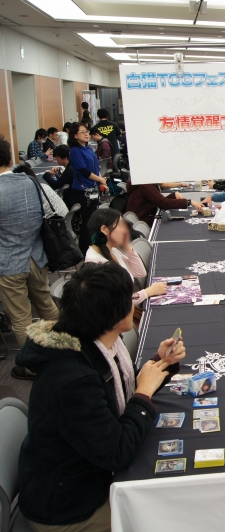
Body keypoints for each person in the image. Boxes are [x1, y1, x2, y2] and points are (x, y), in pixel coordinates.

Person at [16, 262, 185, 531]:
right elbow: (117, 452)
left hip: (81, 478)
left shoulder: (94, 344)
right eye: (129, 299)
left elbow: (117, 392)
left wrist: (160, 363)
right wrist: (142, 395)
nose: (134, 304)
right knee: (169, 515)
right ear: (113, 316)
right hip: (69, 507)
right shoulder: (74, 380)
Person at [0, 137, 62, 380]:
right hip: (37, 256)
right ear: (9, 157)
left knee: (21, 317)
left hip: (9, 263)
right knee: (47, 306)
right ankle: (60, 351)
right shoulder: (30, 182)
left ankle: (33, 366)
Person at [84, 208, 167, 306]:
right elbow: (118, 304)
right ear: (104, 229)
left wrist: (127, 246)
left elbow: (140, 273)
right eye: (120, 225)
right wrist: (147, 292)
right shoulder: (95, 265)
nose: (125, 230)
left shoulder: (111, 250)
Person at [68, 122, 106, 252]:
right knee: (87, 221)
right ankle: (86, 251)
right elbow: (84, 171)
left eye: (87, 132)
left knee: (93, 220)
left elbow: (96, 168)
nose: (86, 134)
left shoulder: (89, 148)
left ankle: (93, 248)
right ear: (75, 135)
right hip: (83, 190)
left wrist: (101, 181)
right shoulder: (75, 151)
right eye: (83, 132)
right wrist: (100, 179)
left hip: (93, 188)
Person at [125, 183, 202, 226]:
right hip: (141, 222)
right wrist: (188, 202)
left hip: (143, 219)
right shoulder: (145, 186)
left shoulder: (145, 184)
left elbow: (159, 201)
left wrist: (173, 195)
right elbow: (163, 203)